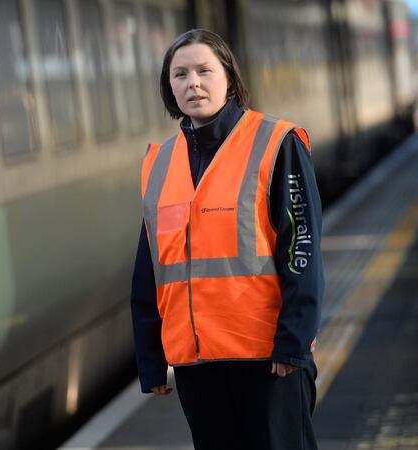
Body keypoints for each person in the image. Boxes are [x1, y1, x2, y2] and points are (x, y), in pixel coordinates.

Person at [131, 29, 323, 450]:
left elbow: (301, 248)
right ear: (169, 87)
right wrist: (151, 359)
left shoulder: (276, 143)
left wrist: (293, 342)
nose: (192, 82)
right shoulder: (159, 163)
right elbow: (150, 267)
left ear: (230, 80)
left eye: (204, 70)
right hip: (197, 363)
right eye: (179, 74)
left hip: (268, 358)